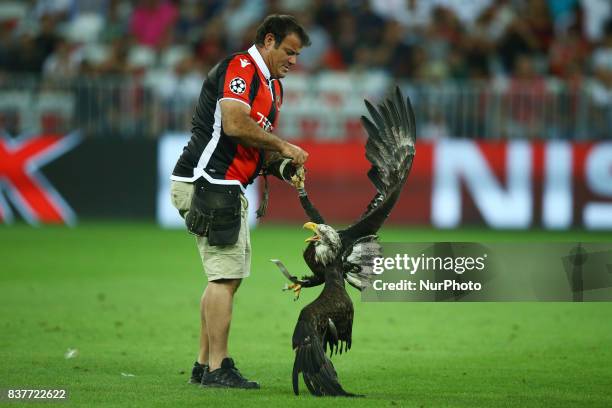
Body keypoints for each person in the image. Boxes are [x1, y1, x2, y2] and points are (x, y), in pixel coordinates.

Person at [169, 14, 310, 389]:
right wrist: (283, 144)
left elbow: (253, 142)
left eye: (297, 55)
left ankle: (204, 365)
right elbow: (233, 123)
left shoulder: (272, 87)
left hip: (225, 185)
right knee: (225, 277)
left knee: (225, 279)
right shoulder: (240, 67)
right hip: (207, 182)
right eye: (289, 51)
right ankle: (218, 368)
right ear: (268, 40)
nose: (294, 61)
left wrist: (281, 166)